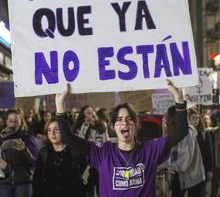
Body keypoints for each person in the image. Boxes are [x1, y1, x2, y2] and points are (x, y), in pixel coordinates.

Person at [55, 80, 188, 197]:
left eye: (129, 119)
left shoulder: (150, 149)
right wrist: (60, 105)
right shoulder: (103, 153)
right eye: (119, 120)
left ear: (136, 125)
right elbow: (68, 138)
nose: (124, 123)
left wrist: (179, 99)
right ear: (113, 126)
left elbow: (181, 132)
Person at [32, 118, 86, 197]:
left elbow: (83, 174)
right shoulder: (44, 152)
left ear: (64, 131)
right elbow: (37, 178)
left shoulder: (75, 152)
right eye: (49, 130)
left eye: (56, 130)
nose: (52, 133)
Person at [0, 109, 38, 197]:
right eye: (10, 120)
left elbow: (34, 162)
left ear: (21, 121)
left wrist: (24, 150)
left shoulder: (28, 138)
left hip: (23, 182)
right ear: (6, 122)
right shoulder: (1, 138)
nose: (13, 123)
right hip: (4, 183)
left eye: (16, 120)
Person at [74, 106, 109, 196]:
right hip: (85, 163)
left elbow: (106, 142)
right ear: (84, 117)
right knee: (87, 190)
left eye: (92, 111)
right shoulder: (80, 127)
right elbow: (78, 144)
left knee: (101, 190)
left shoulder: (102, 125)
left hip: (100, 163)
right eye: (88, 113)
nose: (92, 114)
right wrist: (85, 127)